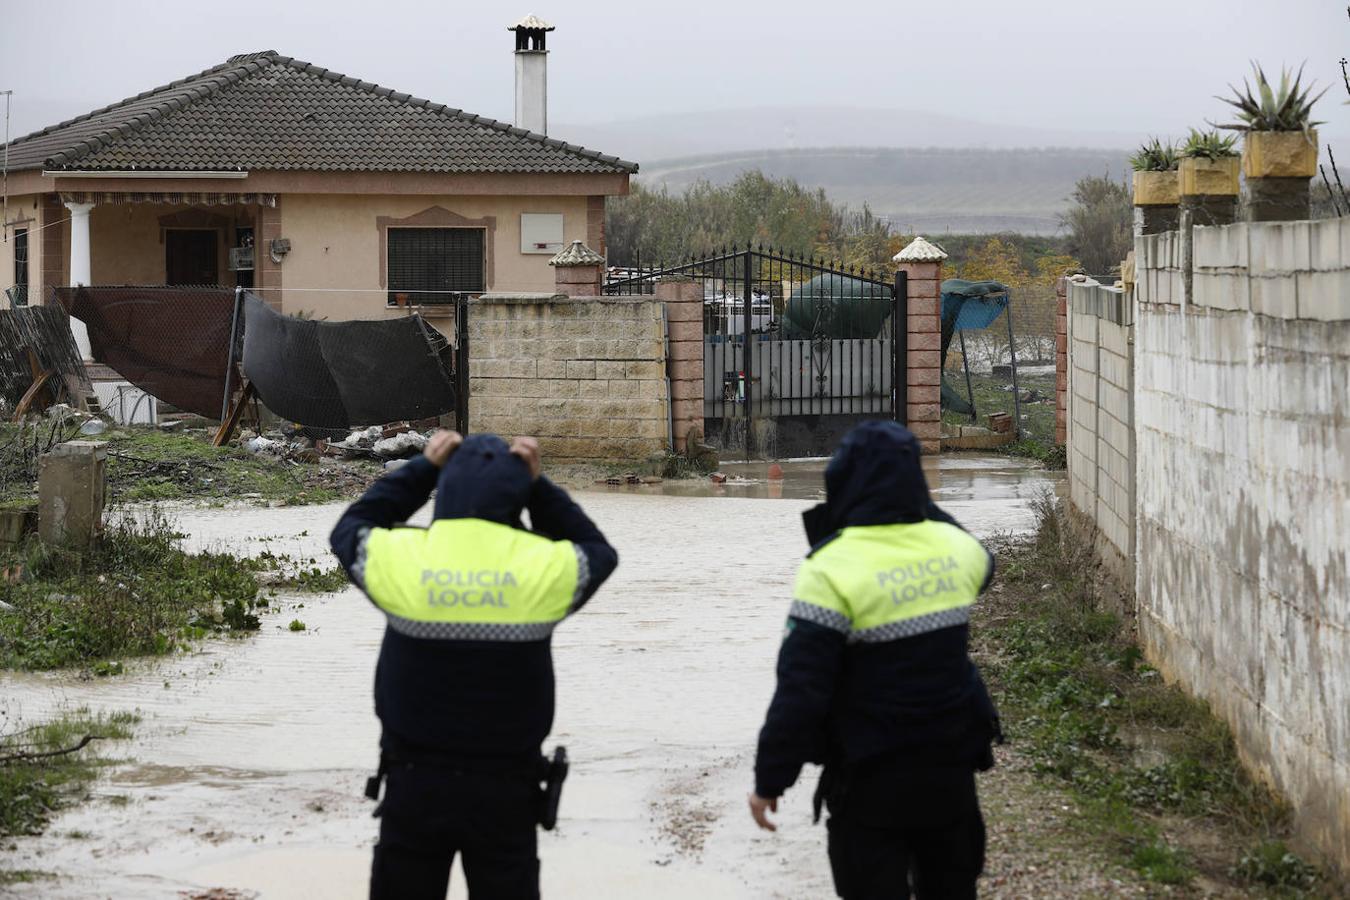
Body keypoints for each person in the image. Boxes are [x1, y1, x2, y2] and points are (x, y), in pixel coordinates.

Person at [329, 429, 618, 900]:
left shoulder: (406, 558)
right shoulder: (539, 566)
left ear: (447, 490)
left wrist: (422, 469)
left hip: (413, 786)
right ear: (516, 496)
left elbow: (350, 528)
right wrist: (540, 485)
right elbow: (598, 551)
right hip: (506, 793)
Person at [748, 420, 1002, 900]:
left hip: (869, 780)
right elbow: (980, 560)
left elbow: (801, 690)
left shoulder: (829, 568)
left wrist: (770, 780)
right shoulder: (958, 552)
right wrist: (921, 507)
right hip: (950, 772)